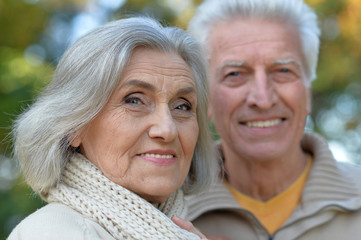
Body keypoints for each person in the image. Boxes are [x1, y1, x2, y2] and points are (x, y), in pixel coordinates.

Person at [7, 16, 218, 240]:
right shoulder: (55, 233)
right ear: (75, 125)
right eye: (134, 101)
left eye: (182, 106)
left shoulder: (186, 230)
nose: (167, 130)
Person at [185, 0, 361, 239]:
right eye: (235, 74)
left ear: (307, 92)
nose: (263, 99)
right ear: (205, 98)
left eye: (283, 71)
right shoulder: (166, 213)